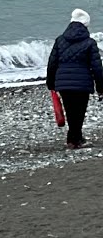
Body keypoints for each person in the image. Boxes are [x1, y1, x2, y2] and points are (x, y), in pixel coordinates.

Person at [46, 8, 103, 149]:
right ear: (85, 25)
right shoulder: (90, 43)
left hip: (63, 82)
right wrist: (100, 87)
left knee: (70, 110)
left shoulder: (60, 40)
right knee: (79, 112)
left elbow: (52, 63)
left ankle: (74, 138)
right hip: (82, 83)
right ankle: (74, 140)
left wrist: (51, 83)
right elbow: (97, 67)